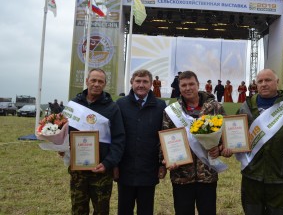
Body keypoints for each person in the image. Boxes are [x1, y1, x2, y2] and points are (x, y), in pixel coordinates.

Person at [236, 69, 283, 215]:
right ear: (256, 84)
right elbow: (235, 135)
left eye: (268, 80)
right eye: (260, 81)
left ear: (277, 82)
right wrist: (229, 147)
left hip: (281, 178)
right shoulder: (246, 107)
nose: (263, 84)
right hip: (252, 176)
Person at [162, 71, 232, 215]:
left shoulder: (215, 107)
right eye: (184, 85)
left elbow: (226, 136)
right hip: (181, 174)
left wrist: (220, 149)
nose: (188, 88)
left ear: (198, 85)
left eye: (191, 84)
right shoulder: (171, 111)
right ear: (179, 88)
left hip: (207, 173)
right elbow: (164, 138)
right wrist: (166, 158)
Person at [65, 68, 126, 215]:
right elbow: (64, 132)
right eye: (93, 80)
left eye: (100, 81)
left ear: (105, 84)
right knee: (78, 210)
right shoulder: (74, 105)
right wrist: (62, 148)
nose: (96, 84)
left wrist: (108, 163)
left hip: (101, 170)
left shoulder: (112, 108)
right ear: (87, 81)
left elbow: (119, 139)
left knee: (101, 211)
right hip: (78, 170)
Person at [116, 69, 167, 215]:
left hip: (149, 170)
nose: (141, 85)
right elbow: (115, 136)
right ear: (132, 82)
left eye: (145, 81)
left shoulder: (160, 106)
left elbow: (163, 137)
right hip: (125, 169)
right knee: (124, 211)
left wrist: (161, 164)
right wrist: (114, 165)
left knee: (146, 210)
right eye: (138, 81)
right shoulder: (120, 104)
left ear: (151, 84)